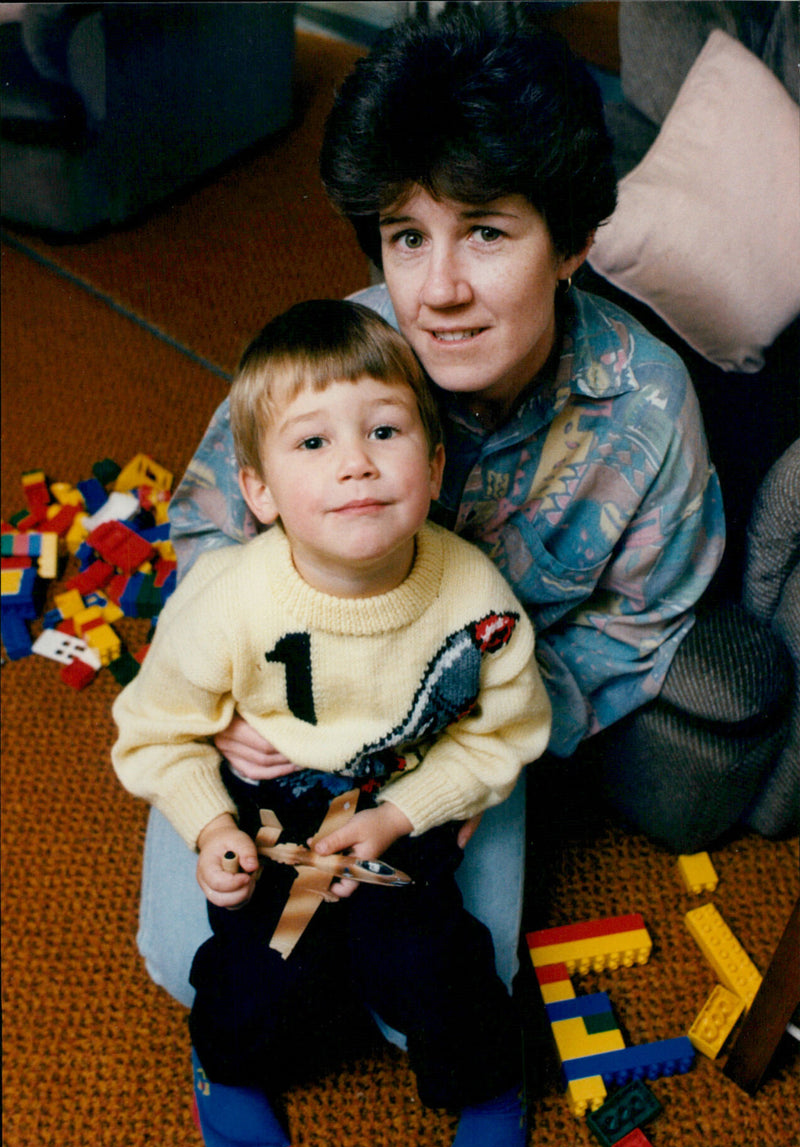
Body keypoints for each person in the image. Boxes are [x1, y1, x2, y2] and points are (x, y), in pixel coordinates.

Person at [136, 8, 784, 1037]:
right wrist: (224, 705)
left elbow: (641, 620)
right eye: (406, 238)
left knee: (427, 1008)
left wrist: (477, 750)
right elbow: (207, 526)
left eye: (484, 232)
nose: (436, 293)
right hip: (284, 714)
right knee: (188, 970)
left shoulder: (651, 411)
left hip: (464, 736)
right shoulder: (327, 369)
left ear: (568, 243)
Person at [113, 299, 552, 1147]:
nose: (356, 462)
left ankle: (488, 1091)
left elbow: (507, 733)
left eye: (386, 431)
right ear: (260, 489)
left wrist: (405, 814)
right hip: (273, 807)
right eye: (312, 442)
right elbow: (151, 736)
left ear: (433, 468)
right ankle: (227, 1071)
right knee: (256, 976)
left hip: (400, 797)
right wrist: (211, 830)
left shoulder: (474, 595)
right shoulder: (225, 597)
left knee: (435, 964)